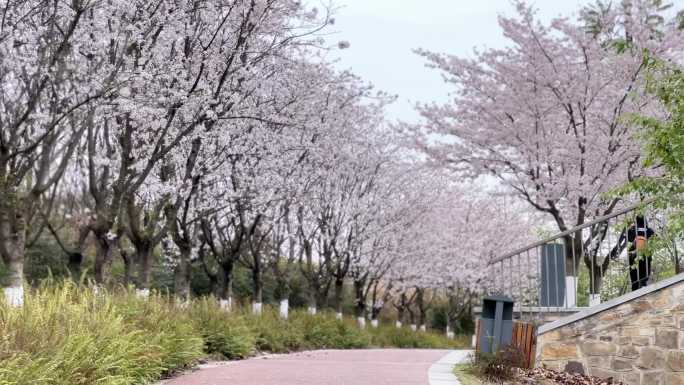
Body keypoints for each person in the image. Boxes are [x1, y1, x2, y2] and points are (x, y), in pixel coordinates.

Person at [612, 215, 655, 291]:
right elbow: (655, 238)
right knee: (644, 273)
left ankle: (635, 289)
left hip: (633, 254)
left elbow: (628, 238)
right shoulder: (649, 230)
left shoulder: (632, 229)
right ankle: (643, 286)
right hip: (645, 253)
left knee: (634, 274)